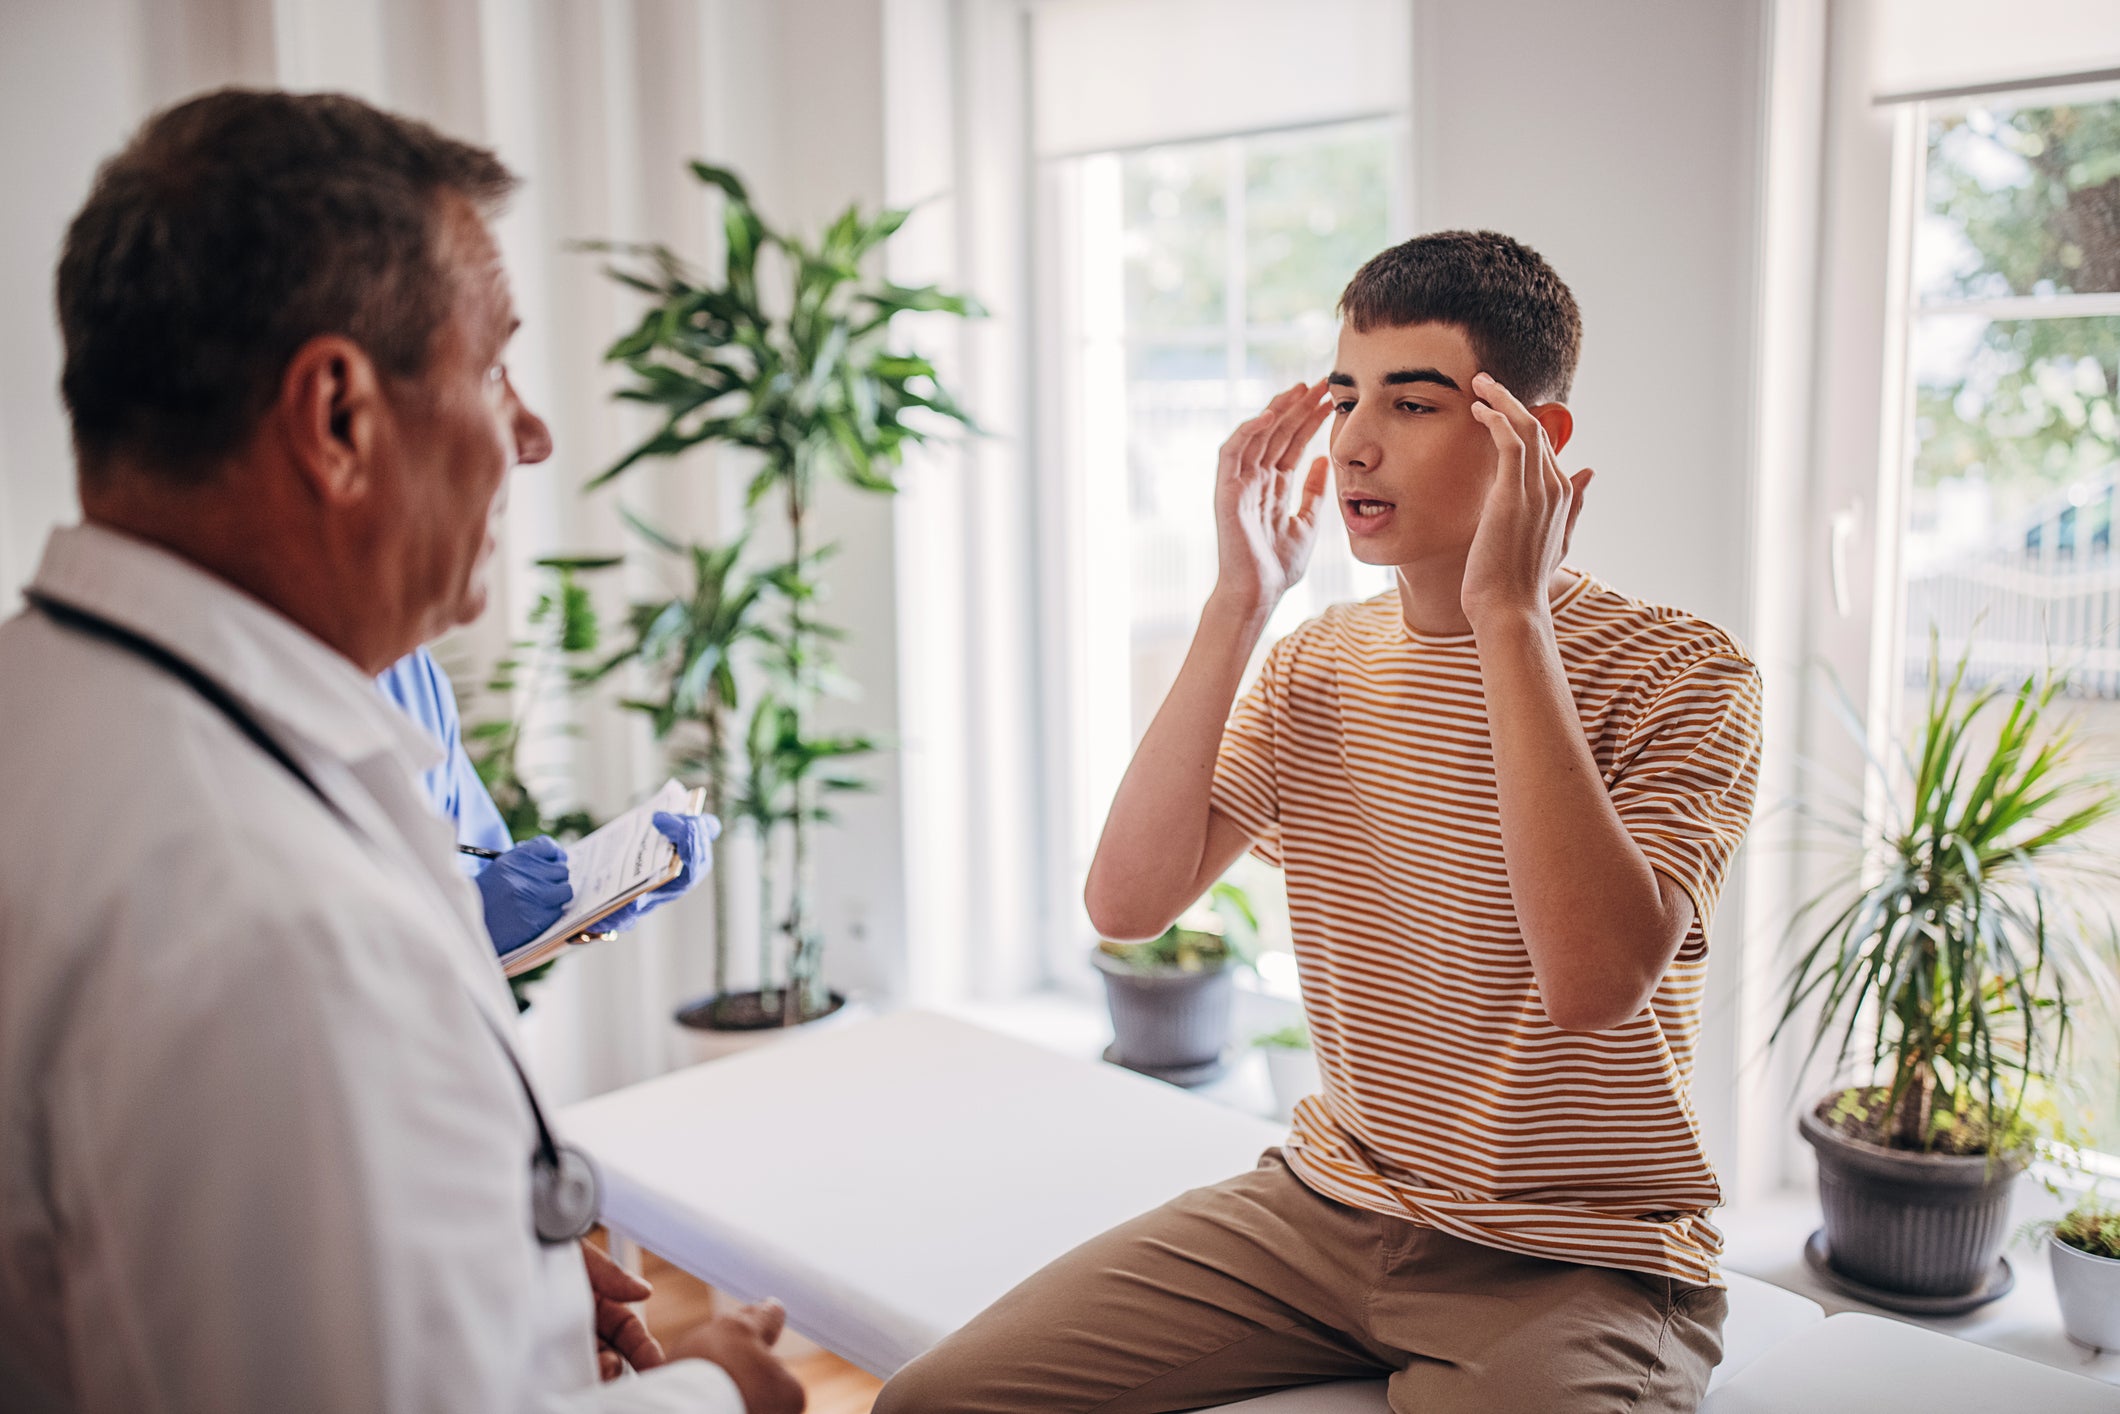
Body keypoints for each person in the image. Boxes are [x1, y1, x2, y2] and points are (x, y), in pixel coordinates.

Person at [0, 89, 801, 1413]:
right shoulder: (272, 917)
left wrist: (504, 1276)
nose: (529, 434)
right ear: (338, 419)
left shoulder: (52, 711)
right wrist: (717, 1391)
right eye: (496, 366)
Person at [875, 232, 1764, 1413]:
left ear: (1531, 440)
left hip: (1570, 1262)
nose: (1352, 440)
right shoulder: (1318, 666)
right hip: (1323, 1208)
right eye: (1343, 395)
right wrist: (1238, 600)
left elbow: (1592, 980)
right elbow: (1126, 902)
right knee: (929, 1404)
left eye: (1411, 401)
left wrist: (1507, 610)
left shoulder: (1681, 674)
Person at [375, 646, 715, 955]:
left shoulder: (415, 671)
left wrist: (598, 903)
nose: (470, 613)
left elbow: (486, 869)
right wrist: (468, 928)